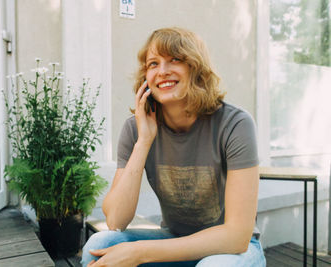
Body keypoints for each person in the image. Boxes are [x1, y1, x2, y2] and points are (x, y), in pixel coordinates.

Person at [81, 27, 266, 267]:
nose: (162, 71)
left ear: (196, 68)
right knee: (100, 245)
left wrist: (140, 253)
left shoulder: (235, 124)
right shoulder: (136, 129)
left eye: (175, 60)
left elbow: (237, 236)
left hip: (233, 250)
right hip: (176, 240)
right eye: (153, 64)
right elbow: (116, 219)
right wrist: (144, 141)